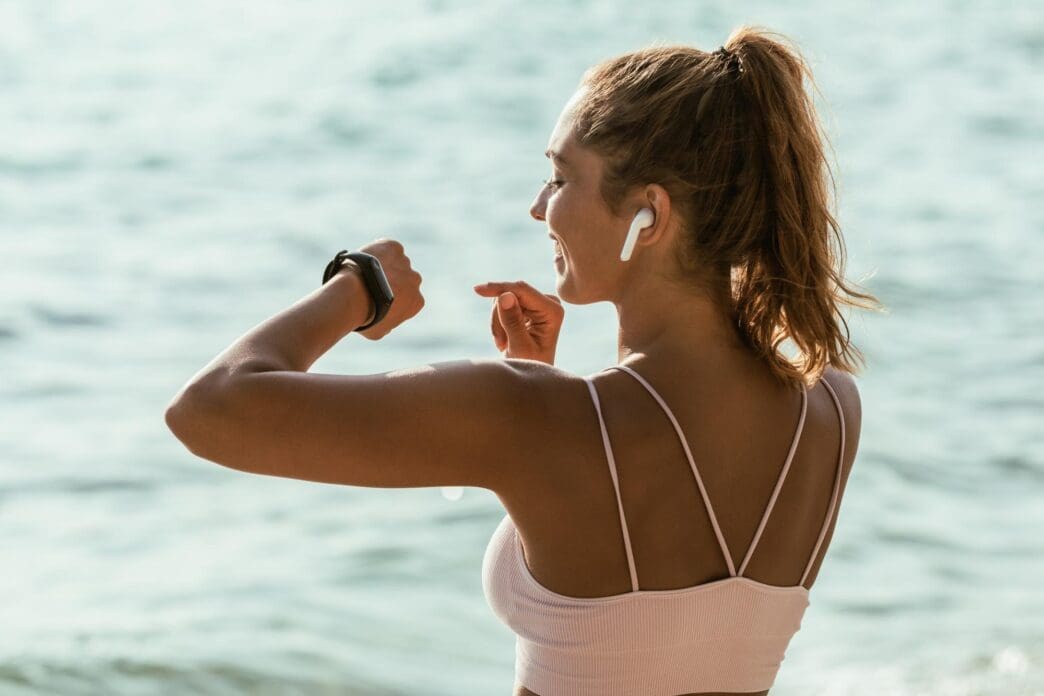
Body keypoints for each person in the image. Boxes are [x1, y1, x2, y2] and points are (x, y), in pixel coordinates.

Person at [165, 23, 882, 696]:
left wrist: (361, 288)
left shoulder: (538, 420)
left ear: (649, 216)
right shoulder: (833, 410)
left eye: (561, 177)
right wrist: (538, 382)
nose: (539, 208)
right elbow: (662, 642)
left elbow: (208, 410)